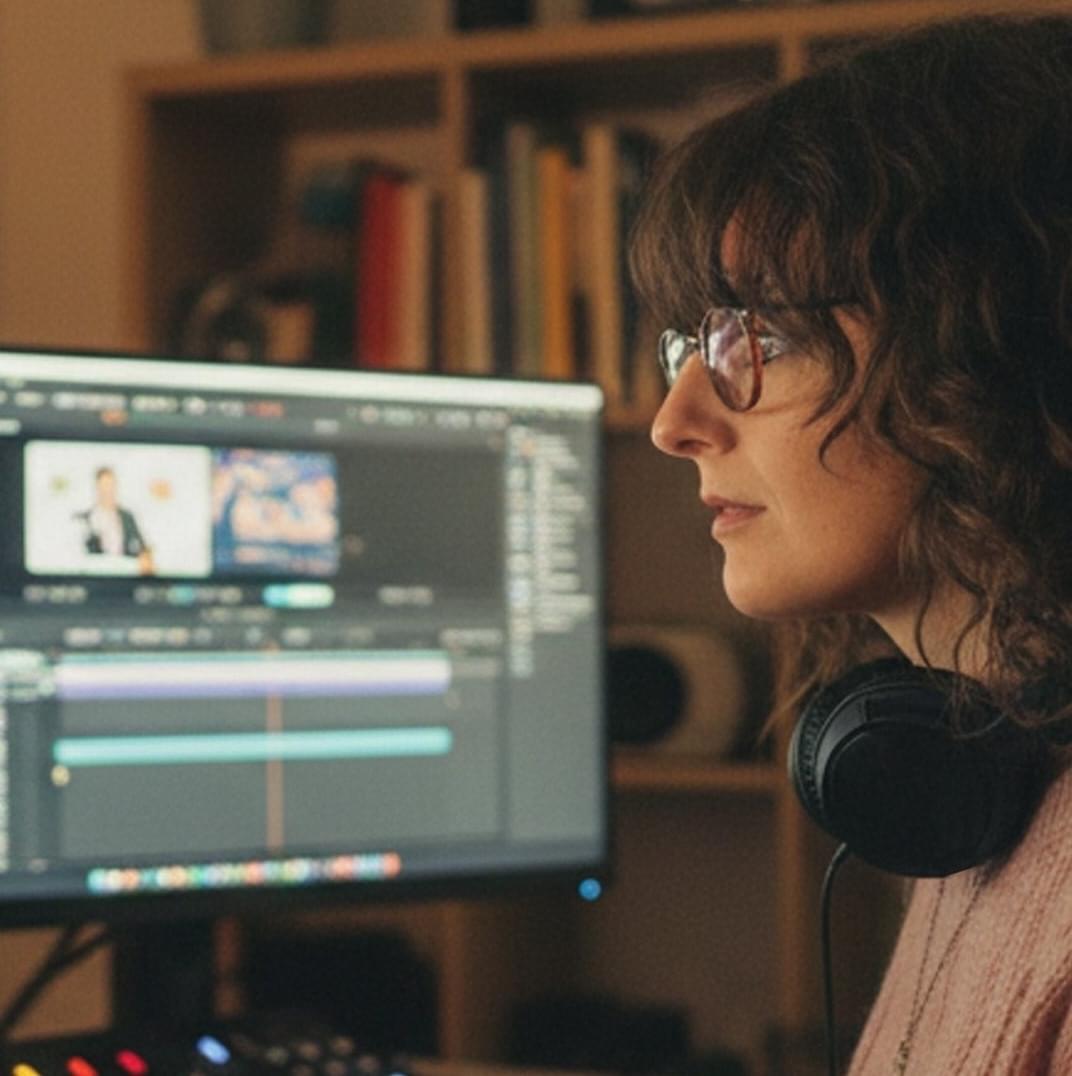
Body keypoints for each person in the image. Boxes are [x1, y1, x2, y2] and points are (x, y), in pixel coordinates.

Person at [630, 13, 1072, 1075]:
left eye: (765, 337)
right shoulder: (979, 768)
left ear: (994, 351)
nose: (674, 421)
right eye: (689, 345)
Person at [75, 465, 154, 574]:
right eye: (104, 486)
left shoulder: (128, 517)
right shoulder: (85, 519)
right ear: (97, 488)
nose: (108, 490)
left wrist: (145, 557)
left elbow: (142, 548)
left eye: (111, 485)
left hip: (125, 578)